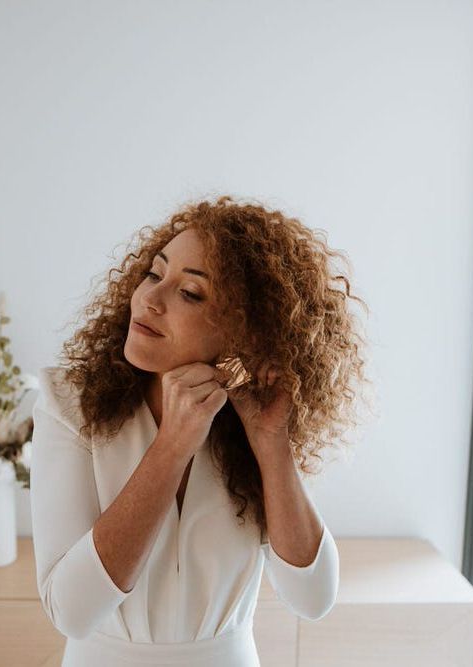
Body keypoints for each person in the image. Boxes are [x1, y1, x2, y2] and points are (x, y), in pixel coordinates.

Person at [30, 195, 370, 666]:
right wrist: (171, 447)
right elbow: (72, 612)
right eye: (154, 273)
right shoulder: (67, 402)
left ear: (246, 332)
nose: (149, 298)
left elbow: (312, 599)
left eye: (189, 293)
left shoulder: (251, 417)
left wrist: (271, 442)